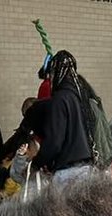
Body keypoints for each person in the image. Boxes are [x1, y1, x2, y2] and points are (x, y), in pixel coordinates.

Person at [30, 50, 95, 184]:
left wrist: (37, 163)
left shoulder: (59, 100)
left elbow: (54, 141)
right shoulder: (80, 97)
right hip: (86, 166)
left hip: (68, 170)